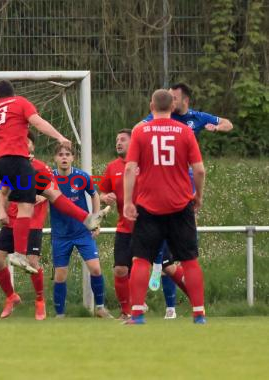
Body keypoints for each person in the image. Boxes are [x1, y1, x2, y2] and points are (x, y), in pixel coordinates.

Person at [0, 80, 109, 274]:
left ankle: (87, 219)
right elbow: (36, 122)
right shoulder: (19, 102)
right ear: (12, 93)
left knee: (51, 192)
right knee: (26, 205)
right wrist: (59, 137)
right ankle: (18, 252)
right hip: (18, 160)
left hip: (1, 163)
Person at [141, 82, 232, 319]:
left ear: (185, 101)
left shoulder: (195, 118)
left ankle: (158, 289)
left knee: (179, 251)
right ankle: (183, 304)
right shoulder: (157, 118)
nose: (171, 100)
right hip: (164, 185)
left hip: (184, 188)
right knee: (172, 254)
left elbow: (228, 123)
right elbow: (138, 128)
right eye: (168, 97)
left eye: (174, 97)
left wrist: (217, 127)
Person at [124, 89, 207, 325]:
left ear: (151, 105)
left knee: (141, 260)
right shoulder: (185, 131)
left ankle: (138, 314)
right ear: (172, 106)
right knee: (189, 260)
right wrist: (198, 196)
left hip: (149, 206)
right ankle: (199, 313)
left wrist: (129, 201)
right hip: (180, 204)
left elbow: (130, 169)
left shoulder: (140, 131)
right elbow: (199, 170)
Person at [50, 144, 113, 318]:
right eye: (60, 154)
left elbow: (94, 195)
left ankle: (100, 308)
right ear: (55, 158)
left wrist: (95, 220)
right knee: (60, 275)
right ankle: (60, 314)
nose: (64, 157)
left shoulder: (82, 177)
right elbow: (41, 196)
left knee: (95, 269)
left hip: (82, 232)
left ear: (72, 158)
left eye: (67, 154)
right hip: (60, 234)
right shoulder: (50, 179)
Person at [0, 132, 50, 320]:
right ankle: (11, 297)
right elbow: (3, 193)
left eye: (28, 142)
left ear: (33, 146)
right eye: (20, 141)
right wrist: (2, 211)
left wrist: (42, 196)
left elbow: (52, 191)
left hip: (31, 223)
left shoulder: (41, 168)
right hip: (12, 223)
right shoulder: (13, 167)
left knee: (32, 263)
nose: (24, 145)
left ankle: (40, 300)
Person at [99, 129, 135, 320]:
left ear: (133, 142)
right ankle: (126, 311)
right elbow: (101, 193)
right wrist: (106, 197)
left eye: (123, 139)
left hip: (147, 227)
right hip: (124, 227)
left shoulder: (143, 164)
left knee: (162, 269)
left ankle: (196, 305)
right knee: (120, 269)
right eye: (116, 140)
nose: (118, 142)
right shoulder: (112, 167)